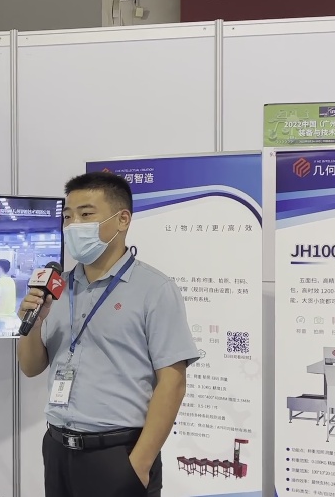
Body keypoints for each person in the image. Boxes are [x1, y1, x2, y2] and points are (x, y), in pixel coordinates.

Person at [17, 171, 199, 497]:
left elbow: (172, 383)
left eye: (86, 214)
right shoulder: (58, 288)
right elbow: (30, 368)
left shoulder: (155, 289)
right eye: (68, 217)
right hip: (57, 448)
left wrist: (139, 463)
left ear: (122, 220)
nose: (73, 226)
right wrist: (34, 324)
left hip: (118, 453)